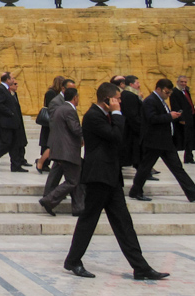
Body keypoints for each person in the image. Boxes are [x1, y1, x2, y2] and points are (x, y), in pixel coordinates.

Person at [63, 82, 169, 281]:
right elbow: (116, 136)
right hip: (98, 176)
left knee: (123, 223)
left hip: (110, 177)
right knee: (89, 220)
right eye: (117, 99)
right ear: (107, 99)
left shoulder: (104, 115)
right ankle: (73, 261)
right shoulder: (93, 116)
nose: (120, 102)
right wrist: (118, 114)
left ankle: (140, 267)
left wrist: (116, 115)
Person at [128, 79, 195, 202]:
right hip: (154, 141)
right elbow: (152, 118)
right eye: (167, 92)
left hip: (164, 141)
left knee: (177, 168)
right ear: (159, 89)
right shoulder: (150, 101)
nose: (168, 95)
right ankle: (135, 191)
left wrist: (172, 116)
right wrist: (170, 116)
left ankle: (192, 193)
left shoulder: (160, 100)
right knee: (145, 168)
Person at [39, 87, 84, 216]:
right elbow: (75, 129)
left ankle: (78, 207)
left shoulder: (59, 108)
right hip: (67, 151)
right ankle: (49, 200)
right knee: (72, 181)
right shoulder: (69, 110)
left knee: (76, 178)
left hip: (61, 150)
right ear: (75, 97)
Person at [120, 75, 143, 168]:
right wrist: (140, 127)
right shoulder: (129, 95)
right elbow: (132, 115)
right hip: (132, 129)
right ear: (131, 84)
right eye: (137, 83)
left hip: (131, 128)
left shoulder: (130, 94)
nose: (139, 85)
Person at [169, 76, 194, 164]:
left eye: (185, 82)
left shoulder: (186, 91)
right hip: (182, 119)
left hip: (190, 117)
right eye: (182, 82)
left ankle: (189, 157)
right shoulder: (174, 92)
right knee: (181, 140)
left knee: (190, 139)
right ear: (178, 82)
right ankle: (175, 160)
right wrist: (181, 118)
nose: (183, 84)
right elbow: (175, 106)